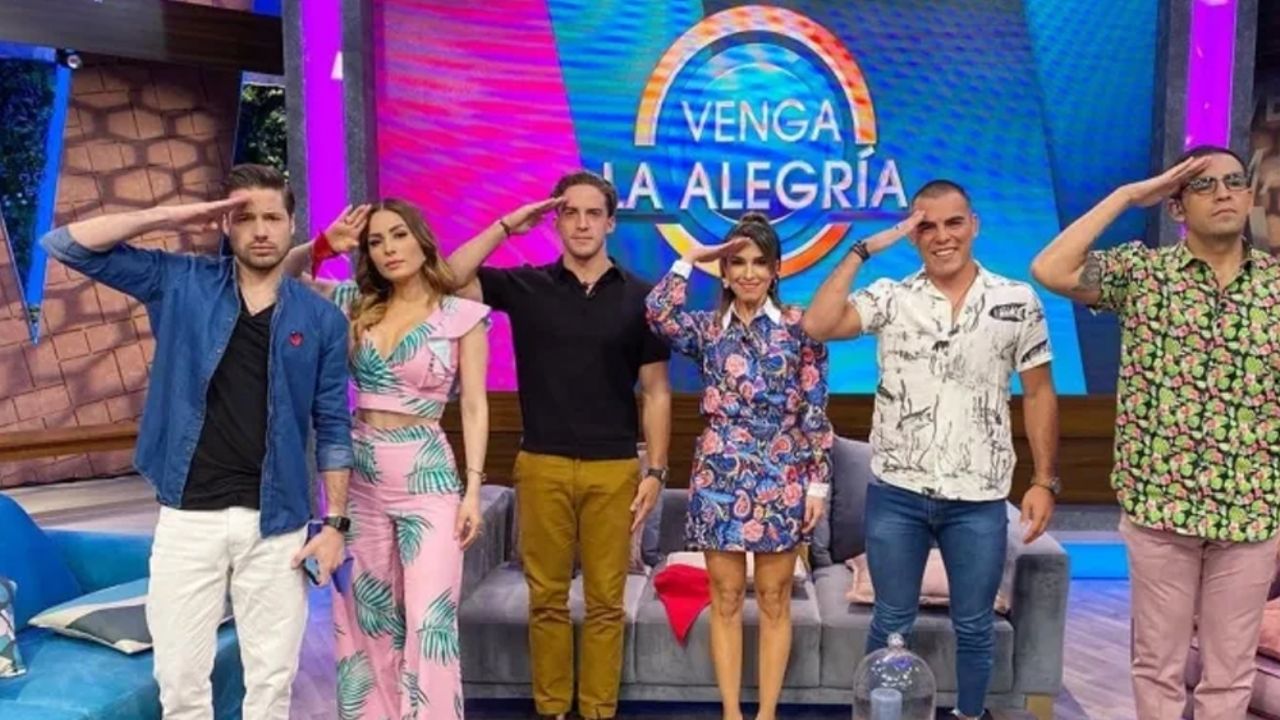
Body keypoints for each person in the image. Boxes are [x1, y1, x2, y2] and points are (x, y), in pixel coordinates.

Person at [39, 164, 353, 720]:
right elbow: (67, 245)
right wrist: (176, 215)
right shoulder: (181, 282)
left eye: (272, 217)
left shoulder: (322, 319)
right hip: (188, 518)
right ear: (225, 225)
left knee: (271, 686)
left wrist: (335, 526)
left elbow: (332, 424)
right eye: (244, 217)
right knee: (181, 684)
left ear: (291, 224)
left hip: (277, 524)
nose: (260, 230)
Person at [285, 197, 559, 719]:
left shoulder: (461, 315)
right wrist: (321, 246)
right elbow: (285, 281)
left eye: (399, 235)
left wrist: (473, 490)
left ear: (421, 240)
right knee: (367, 617)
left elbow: (474, 406)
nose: (389, 249)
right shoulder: (353, 303)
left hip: (427, 478)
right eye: (376, 241)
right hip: (359, 476)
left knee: (430, 620)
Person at [1030, 146, 1278, 720]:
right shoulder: (1144, 275)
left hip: (1253, 512)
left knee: (1228, 676)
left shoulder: (1276, 285)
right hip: (1161, 510)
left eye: (1234, 182)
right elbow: (1050, 268)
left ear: (1248, 196)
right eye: (1204, 185)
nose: (1223, 193)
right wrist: (1127, 196)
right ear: (1176, 206)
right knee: (1158, 668)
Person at [803, 180, 1060, 720]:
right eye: (927, 226)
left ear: (974, 225)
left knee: (975, 625)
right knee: (889, 623)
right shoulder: (891, 298)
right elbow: (818, 324)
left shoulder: (1016, 301)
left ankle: (969, 715)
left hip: (979, 498)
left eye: (953, 223)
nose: (942, 236)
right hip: (897, 494)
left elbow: (1039, 393)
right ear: (912, 235)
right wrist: (862, 249)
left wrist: (1043, 479)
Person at [448, 170, 673, 720]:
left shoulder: (643, 296)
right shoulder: (528, 287)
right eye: (570, 212)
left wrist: (656, 471)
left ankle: (597, 712)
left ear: (611, 222)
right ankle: (551, 711)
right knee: (546, 600)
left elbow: (657, 391)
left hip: (614, 469)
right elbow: (449, 278)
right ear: (555, 221)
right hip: (542, 464)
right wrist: (507, 225)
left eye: (593, 213)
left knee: (605, 604)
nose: (582, 223)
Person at [644, 212, 832, 720]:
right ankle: (731, 713)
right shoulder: (707, 330)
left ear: (776, 270)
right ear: (725, 271)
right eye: (738, 262)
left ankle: (766, 714)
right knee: (725, 597)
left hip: (782, 473)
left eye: (760, 262)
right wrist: (691, 258)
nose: (749, 273)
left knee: (773, 598)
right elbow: (658, 313)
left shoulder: (801, 328)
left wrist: (818, 484)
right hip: (719, 475)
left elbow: (816, 410)